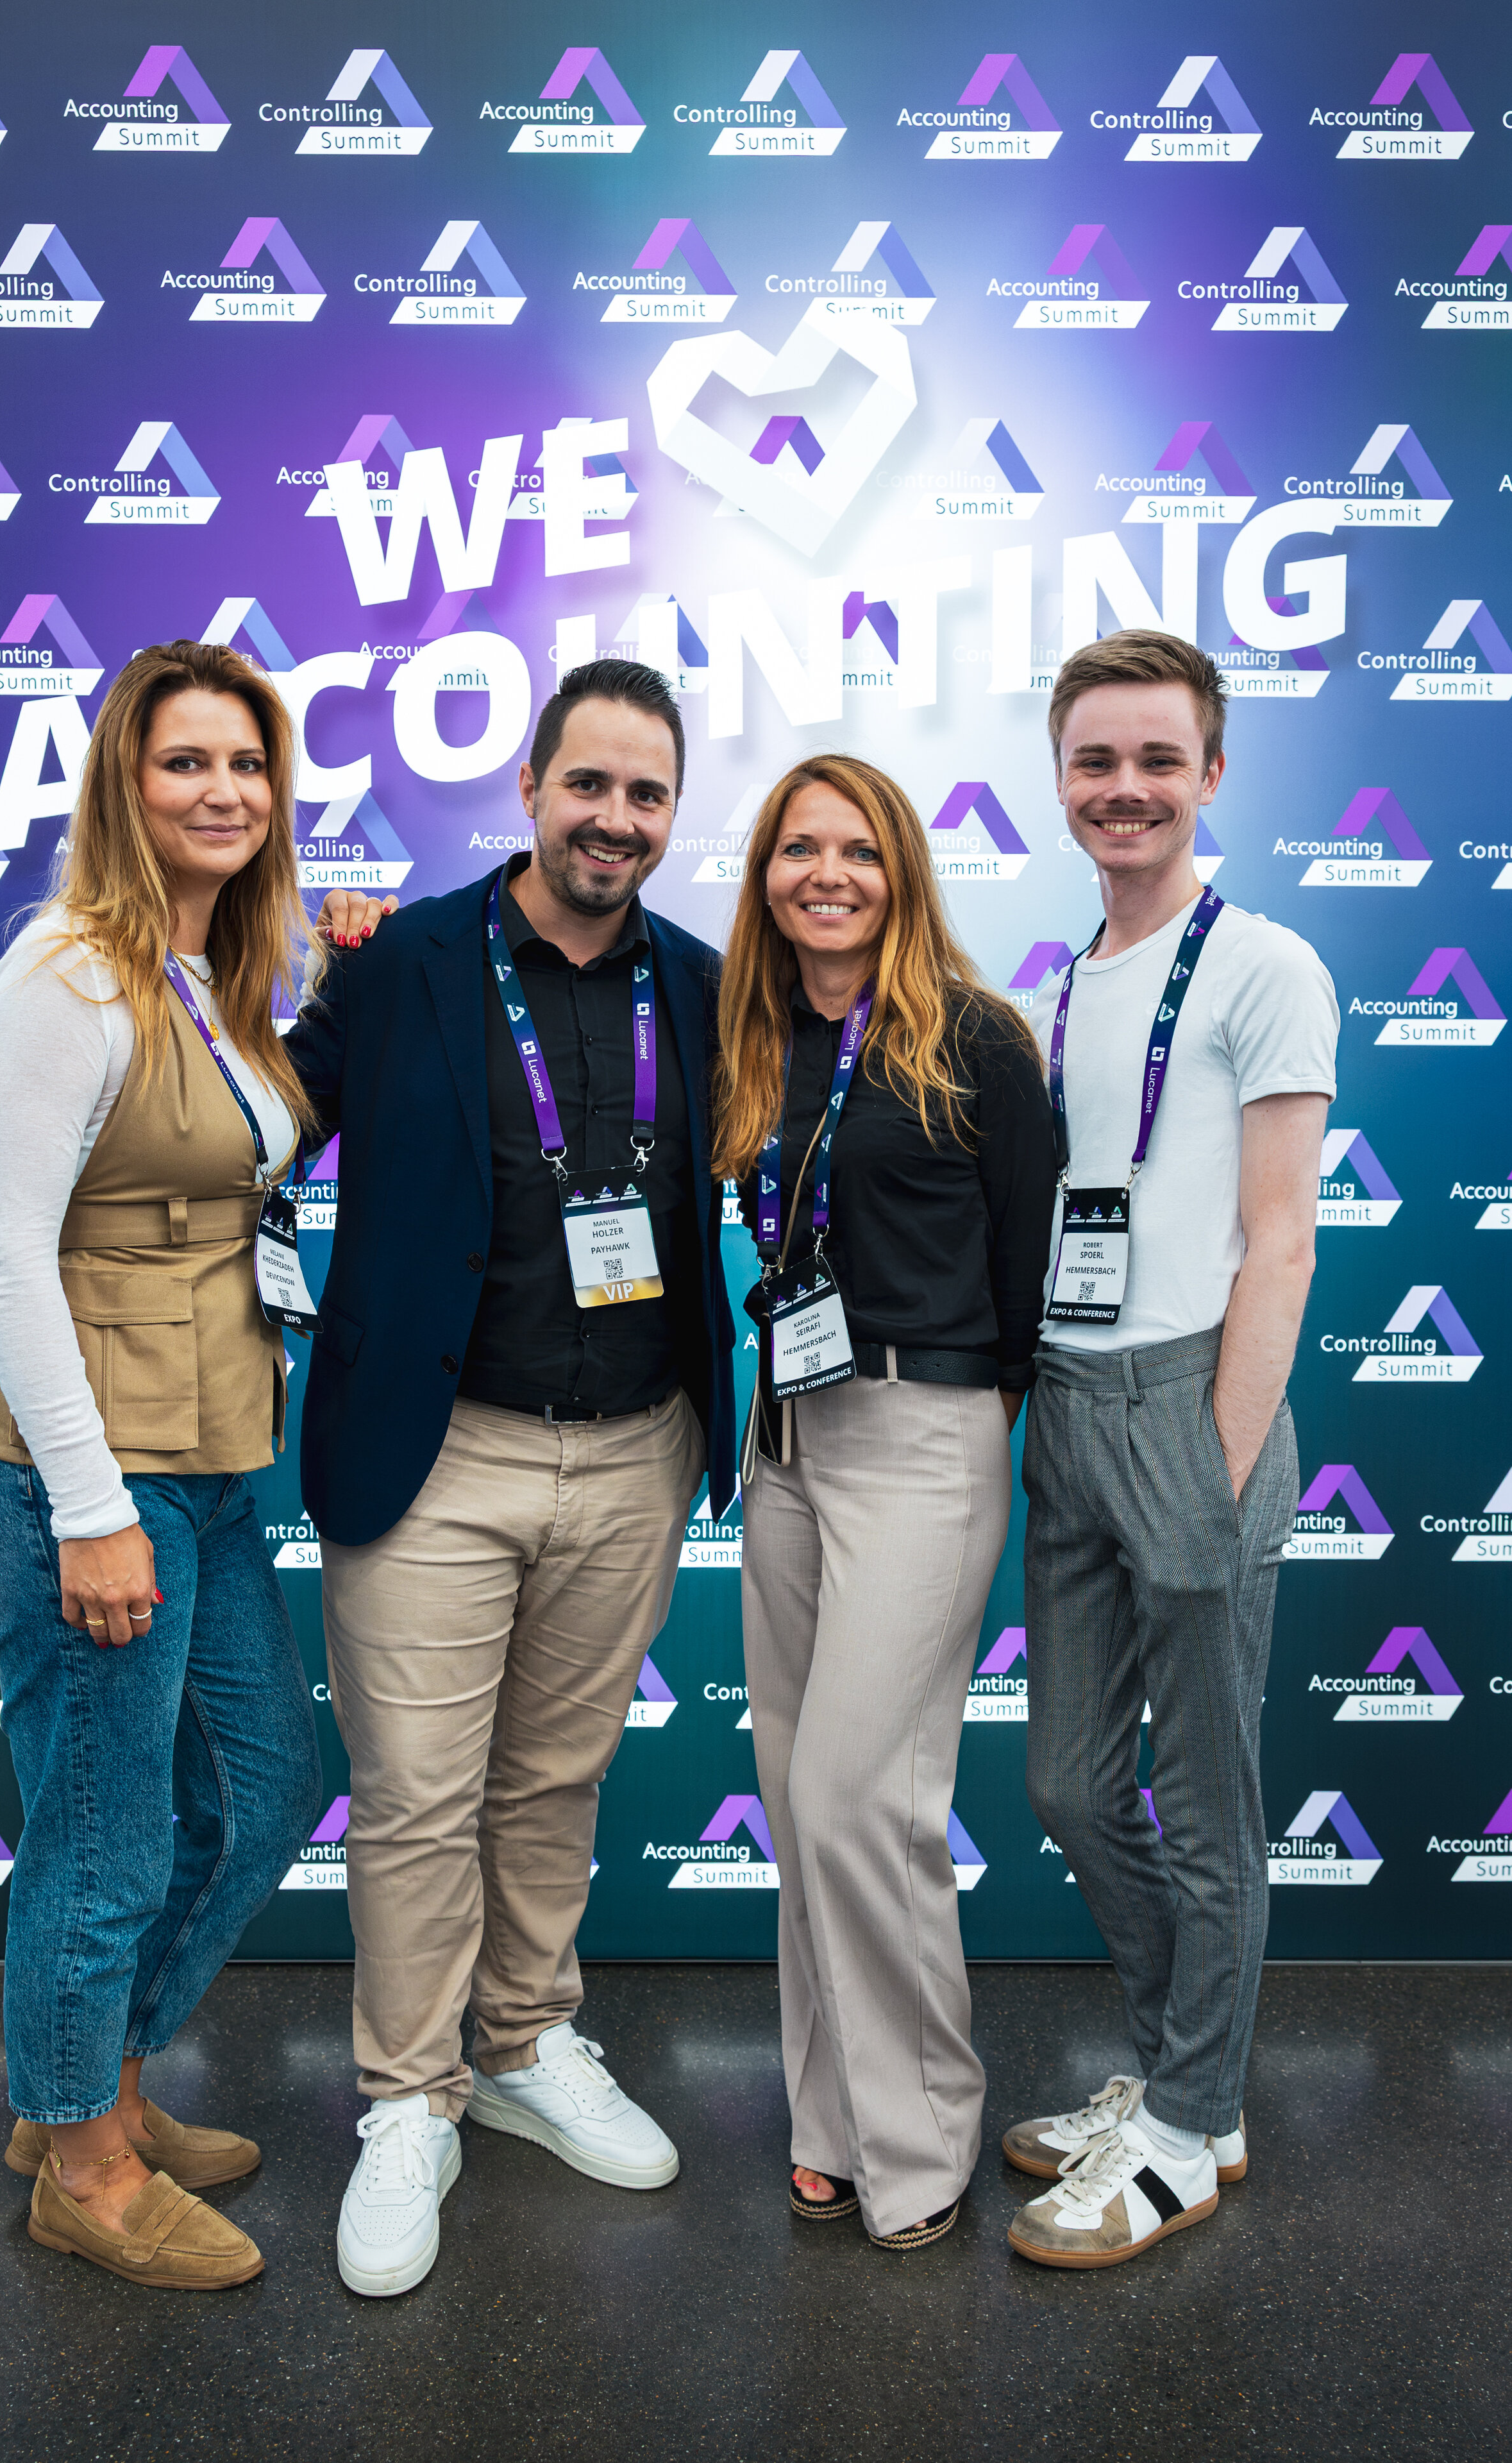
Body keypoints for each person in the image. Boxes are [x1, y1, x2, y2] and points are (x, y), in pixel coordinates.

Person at [278, 659, 736, 2298]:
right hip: (437, 1448)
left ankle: (529, 2043)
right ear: (530, 787)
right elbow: (252, 1124)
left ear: (670, 815)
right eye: (587, 784)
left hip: (632, 1449)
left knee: (551, 1783)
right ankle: (411, 2099)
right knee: (415, 1798)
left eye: (645, 794)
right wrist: (54, 1221)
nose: (614, 818)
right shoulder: (401, 960)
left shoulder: (705, 984)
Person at [0, 641, 349, 2290]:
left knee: (263, 1791)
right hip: (85, 1483)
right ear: (124, 781)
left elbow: (147, 1184)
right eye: (186, 762)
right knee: (106, 1836)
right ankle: (82, 2168)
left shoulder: (205, 973)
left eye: (246, 764)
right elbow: (17, 1254)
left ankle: (82, 2081)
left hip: (210, 1463)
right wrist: (93, 1513)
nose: (222, 791)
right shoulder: (70, 968)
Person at [1003, 630, 1338, 2269]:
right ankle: (1180, 2075)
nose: (1122, 787)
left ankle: (1191, 2131)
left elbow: (1279, 1241)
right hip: (1067, 1404)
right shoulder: (1056, 989)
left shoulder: (1264, 965)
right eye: (1094, 760)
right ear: (1058, 778)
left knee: (1205, 1808)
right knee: (1067, 1784)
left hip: (1197, 1403)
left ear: (1209, 773)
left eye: (1155, 759)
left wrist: (1217, 1463)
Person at [715, 754, 1055, 2249]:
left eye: (856, 850)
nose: (827, 875)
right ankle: (831, 2121)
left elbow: (1027, 1268)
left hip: (925, 1430)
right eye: (799, 849)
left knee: (865, 1798)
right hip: (786, 1437)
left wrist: (961, 1434)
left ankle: (917, 2145)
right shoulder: (750, 1033)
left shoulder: (975, 1038)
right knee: (801, 1797)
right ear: (765, 876)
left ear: (902, 868)